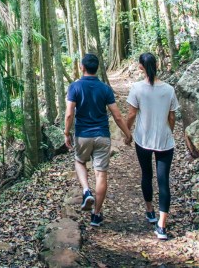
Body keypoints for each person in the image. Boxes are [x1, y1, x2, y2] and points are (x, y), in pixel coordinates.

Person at [64, 53, 131, 227]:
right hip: (102, 135)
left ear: (82, 67)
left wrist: (66, 133)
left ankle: (86, 191)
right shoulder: (105, 88)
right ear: (97, 69)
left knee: (79, 161)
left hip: (83, 135)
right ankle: (96, 214)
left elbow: (70, 113)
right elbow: (116, 115)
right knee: (101, 174)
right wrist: (127, 133)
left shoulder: (74, 87)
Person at [122, 52, 180, 241]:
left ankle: (150, 211)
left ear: (141, 67)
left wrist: (127, 133)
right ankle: (161, 226)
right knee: (164, 180)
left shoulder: (137, 88)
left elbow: (131, 114)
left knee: (147, 174)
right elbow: (172, 117)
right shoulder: (169, 89)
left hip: (143, 140)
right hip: (164, 141)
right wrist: (168, 131)